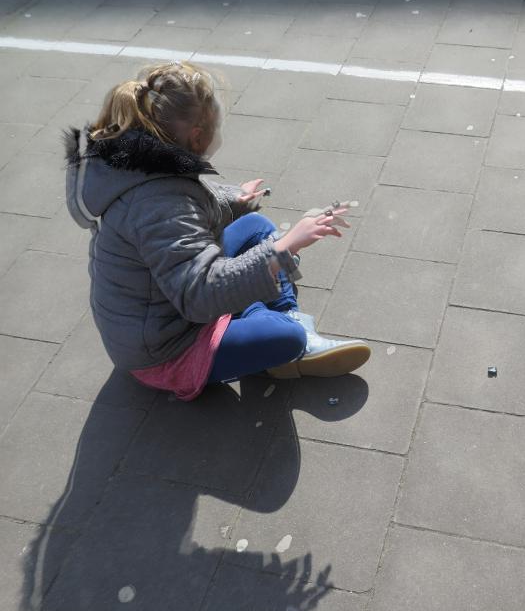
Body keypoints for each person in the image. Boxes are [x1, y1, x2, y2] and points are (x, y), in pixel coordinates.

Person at [63, 61, 370, 402]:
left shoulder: (136, 164)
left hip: (163, 308)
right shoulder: (158, 202)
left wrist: (235, 200)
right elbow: (200, 294)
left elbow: (190, 212)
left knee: (254, 227)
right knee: (285, 337)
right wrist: (284, 247)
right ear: (198, 136)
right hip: (165, 350)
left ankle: (279, 313)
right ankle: (280, 324)